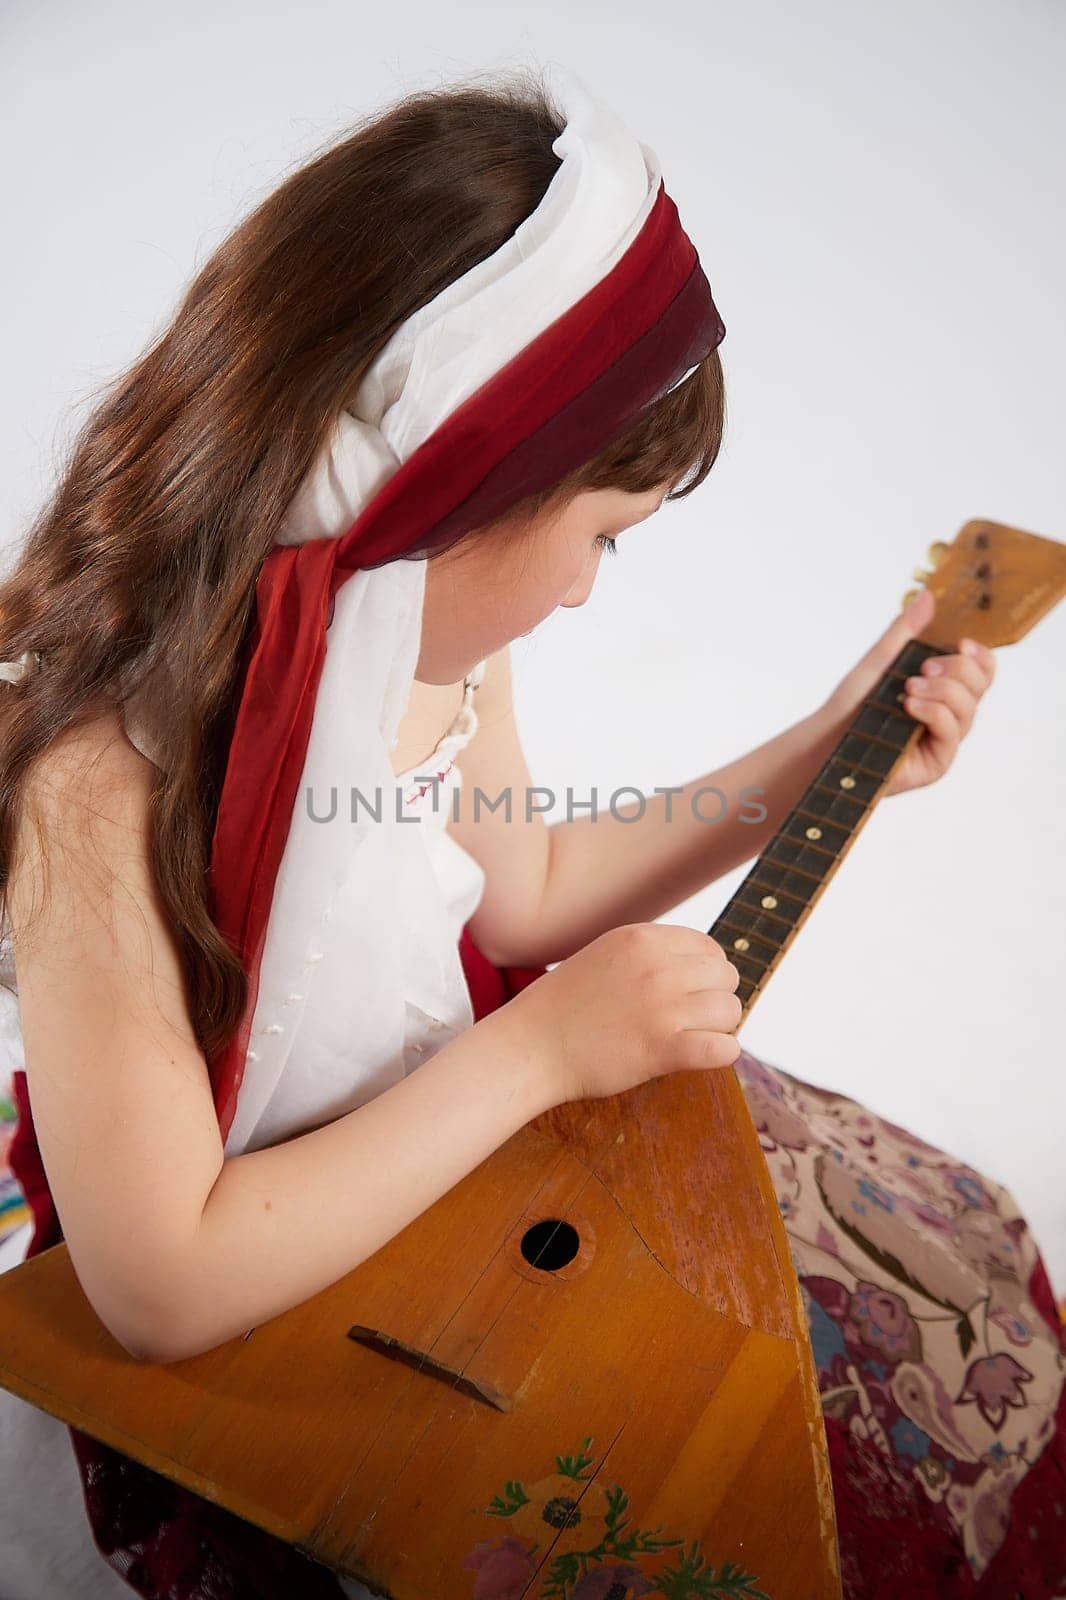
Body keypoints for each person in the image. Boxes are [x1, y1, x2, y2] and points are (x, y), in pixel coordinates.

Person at [0, 62, 1063, 1600]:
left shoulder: (431, 645)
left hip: (470, 1146)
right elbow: (164, 1285)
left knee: (924, 1267)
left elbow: (524, 894)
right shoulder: (95, 781)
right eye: (599, 540)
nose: (579, 593)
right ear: (452, 484)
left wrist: (823, 750)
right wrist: (542, 1055)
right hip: (286, 1290)